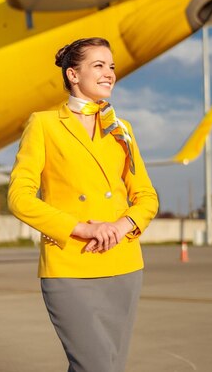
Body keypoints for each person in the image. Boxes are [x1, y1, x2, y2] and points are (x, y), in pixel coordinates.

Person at [8, 37, 158, 372]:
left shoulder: (122, 129)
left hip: (123, 264)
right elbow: (19, 198)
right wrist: (80, 227)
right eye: (99, 65)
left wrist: (121, 226)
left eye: (112, 66)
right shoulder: (44, 124)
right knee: (96, 366)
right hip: (69, 265)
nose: (110, 74)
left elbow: (146, 196)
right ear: (73, 75)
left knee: (110, 366)